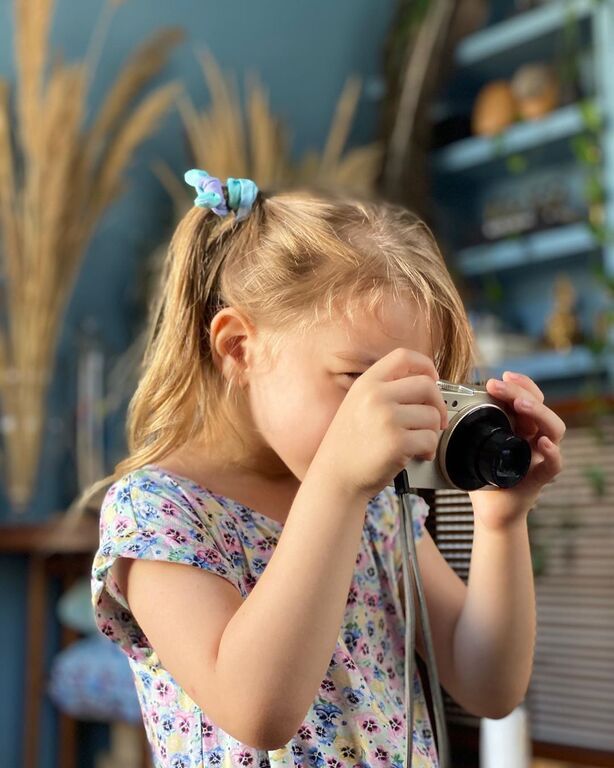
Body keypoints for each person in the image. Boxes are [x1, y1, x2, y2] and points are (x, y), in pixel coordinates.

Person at [89, 170, 566, 768]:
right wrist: (337, 485)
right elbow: (259, 712)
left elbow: (489, 688)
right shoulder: (160, 512)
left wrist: (501, 521)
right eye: (357, 379)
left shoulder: (376, 508)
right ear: (238, 349)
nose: (383, 413)